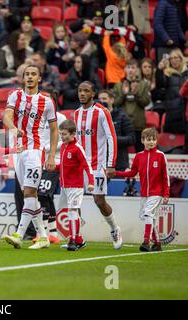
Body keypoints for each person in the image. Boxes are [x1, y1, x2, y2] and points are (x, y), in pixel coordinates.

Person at [3, 64, 59, 250]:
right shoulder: (15, 95)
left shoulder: (46, 101)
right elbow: (6, 116)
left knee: (28, 193)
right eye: (27, 74)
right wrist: (13, 128)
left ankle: (19, 234)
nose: (29, 77)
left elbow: (54, 130)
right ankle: (43, 236)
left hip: (35, 151)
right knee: (30, 196)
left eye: (33, 74)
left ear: (39, 78)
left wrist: (51, 155)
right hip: (19, 152)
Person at [74, 81, 122, 249]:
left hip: (98, 165)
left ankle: (115, 229)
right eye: (80, 90)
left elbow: (112, 138)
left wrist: (110, 164)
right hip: (80, 166)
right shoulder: (76, 113)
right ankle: (77, 237)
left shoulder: (102, 112)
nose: (82, 94)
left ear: (93, 93)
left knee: (99, 201)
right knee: (74, 202)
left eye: (86, 91)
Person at [115, 128, 170, 252]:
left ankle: (146, 242)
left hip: (157, 193)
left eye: (154, 139)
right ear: (142, 140)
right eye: (148, 139)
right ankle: (157, 244)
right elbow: (132, 172)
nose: (151, 142)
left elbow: (165, 176)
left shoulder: (161, 156)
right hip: (144, 193)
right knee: (150, 217)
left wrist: (166, 194)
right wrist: (116, 173)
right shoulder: (139, 156)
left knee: (148, 214)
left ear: (156, 141)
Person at [55, 119, 94, 251]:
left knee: (72, 211)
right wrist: (53, 167)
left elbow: (87, 166)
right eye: (61, 134)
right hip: (65, 186)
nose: (62, 136)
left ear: (73, 134)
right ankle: (79, 240)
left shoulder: (77, 148)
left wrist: (91, 182)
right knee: (68, 211)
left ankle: (72, 240)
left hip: (76, 186)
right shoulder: (64, 147)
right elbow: (63, 166)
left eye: (65, 134)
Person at [34, 110, 66, 245]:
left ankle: (44, 232)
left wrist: (47, 148)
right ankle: (52, 233)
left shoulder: (60, 117)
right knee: (47, 196)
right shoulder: (37, 117)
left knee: (42, 194)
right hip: (39, 160)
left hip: (55, 161)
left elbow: (65, 139)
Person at [113, 60, 151, 152]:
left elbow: (146, 102)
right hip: (123, 123)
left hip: (138, 123)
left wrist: (136, 94)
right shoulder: (118, 85)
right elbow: (114, 104)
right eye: (128, 67)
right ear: (125, 69)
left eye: (133, 67)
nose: (130, 70)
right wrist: (123, 94)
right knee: (122, 151)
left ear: (137, 69)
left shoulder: (143, 84)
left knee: (140, 151)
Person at [98, 89, 135, 171]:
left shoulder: (123, 117)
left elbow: (132, 139)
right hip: (99, 163)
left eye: (104, 99)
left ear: (112, 100)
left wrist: (112, 139)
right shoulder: (95, 117)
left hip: (119, 163)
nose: (101, 101)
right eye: (99, 99)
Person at [156, 48, 188, 134]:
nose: (173, 60)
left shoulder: (187, 73)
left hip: (185, 111)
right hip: (173, 112)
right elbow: (160, 85)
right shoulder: (167, 73)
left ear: (181, 59)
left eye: (176, 58)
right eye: (171, 58)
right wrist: (159, 70)